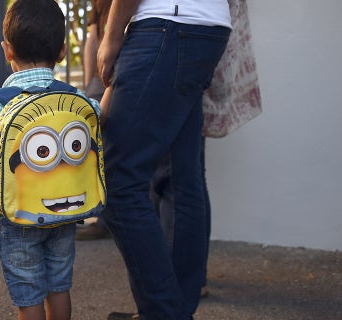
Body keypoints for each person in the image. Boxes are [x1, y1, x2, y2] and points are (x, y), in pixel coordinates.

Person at [97, 1, 231, 319]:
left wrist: (112, 35)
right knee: (181, 179)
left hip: (167, 24)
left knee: (119, 184)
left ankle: (165, 312)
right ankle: (175, 308)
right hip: (204, 27)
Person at [0, 1, 101, 319]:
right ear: (62, 52)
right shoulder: (77, 100)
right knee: (59, 287)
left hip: (18, 218)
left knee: (29, 296)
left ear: (7, 50)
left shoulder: (0, 103)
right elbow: (100, 114)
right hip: (66, 212)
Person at [76, 0, 112, 240]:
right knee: (99, 149)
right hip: (102, 74)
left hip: (127, 65)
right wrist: (90, 83)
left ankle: (109, 216)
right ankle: (103, 215)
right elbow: (93, 37)